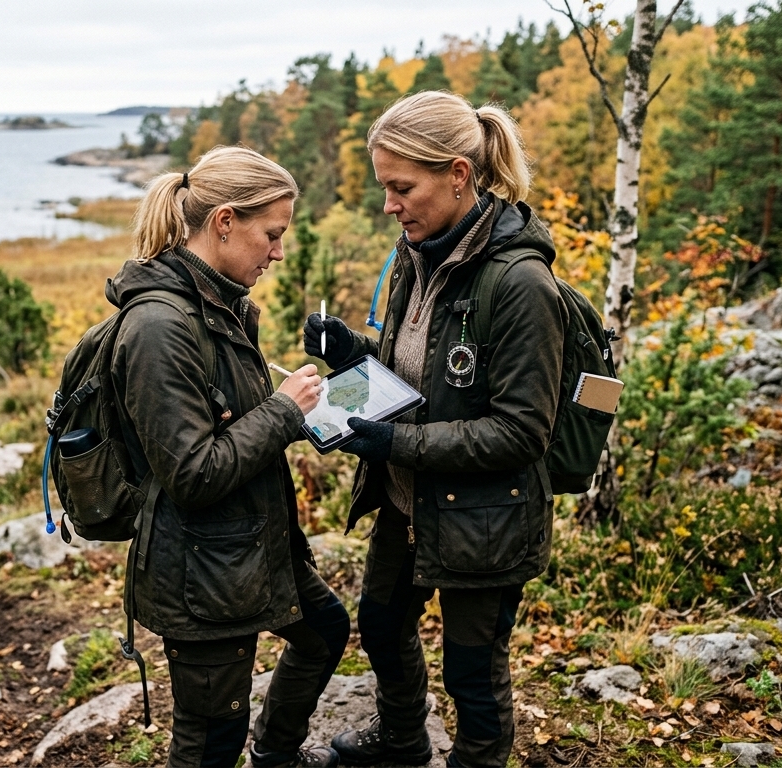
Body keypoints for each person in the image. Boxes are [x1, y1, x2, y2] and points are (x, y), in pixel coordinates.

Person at [305, 92, 565, 768]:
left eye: (402, 188)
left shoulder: (520, 283)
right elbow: (416, 376)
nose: (389, 205)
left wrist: (395, 444)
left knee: (472, 672)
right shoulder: (415, 256)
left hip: (486, 518)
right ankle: (402, 740)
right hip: (408, 500)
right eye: (384, 188)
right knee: (381, 625)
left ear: (457, 174)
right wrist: (351, 353)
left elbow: (521, 432)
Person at [111, 146, 349, 768]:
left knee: (324, 631)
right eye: (271, 234)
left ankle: (275, 755)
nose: (278, 252)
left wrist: (300, 412)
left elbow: (231, 425)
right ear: (224, 222)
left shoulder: (220, 303)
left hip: (251, 546)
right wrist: (283, 412)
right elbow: (191, 474)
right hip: (200, 571)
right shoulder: (160, 326)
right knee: (211, 739)